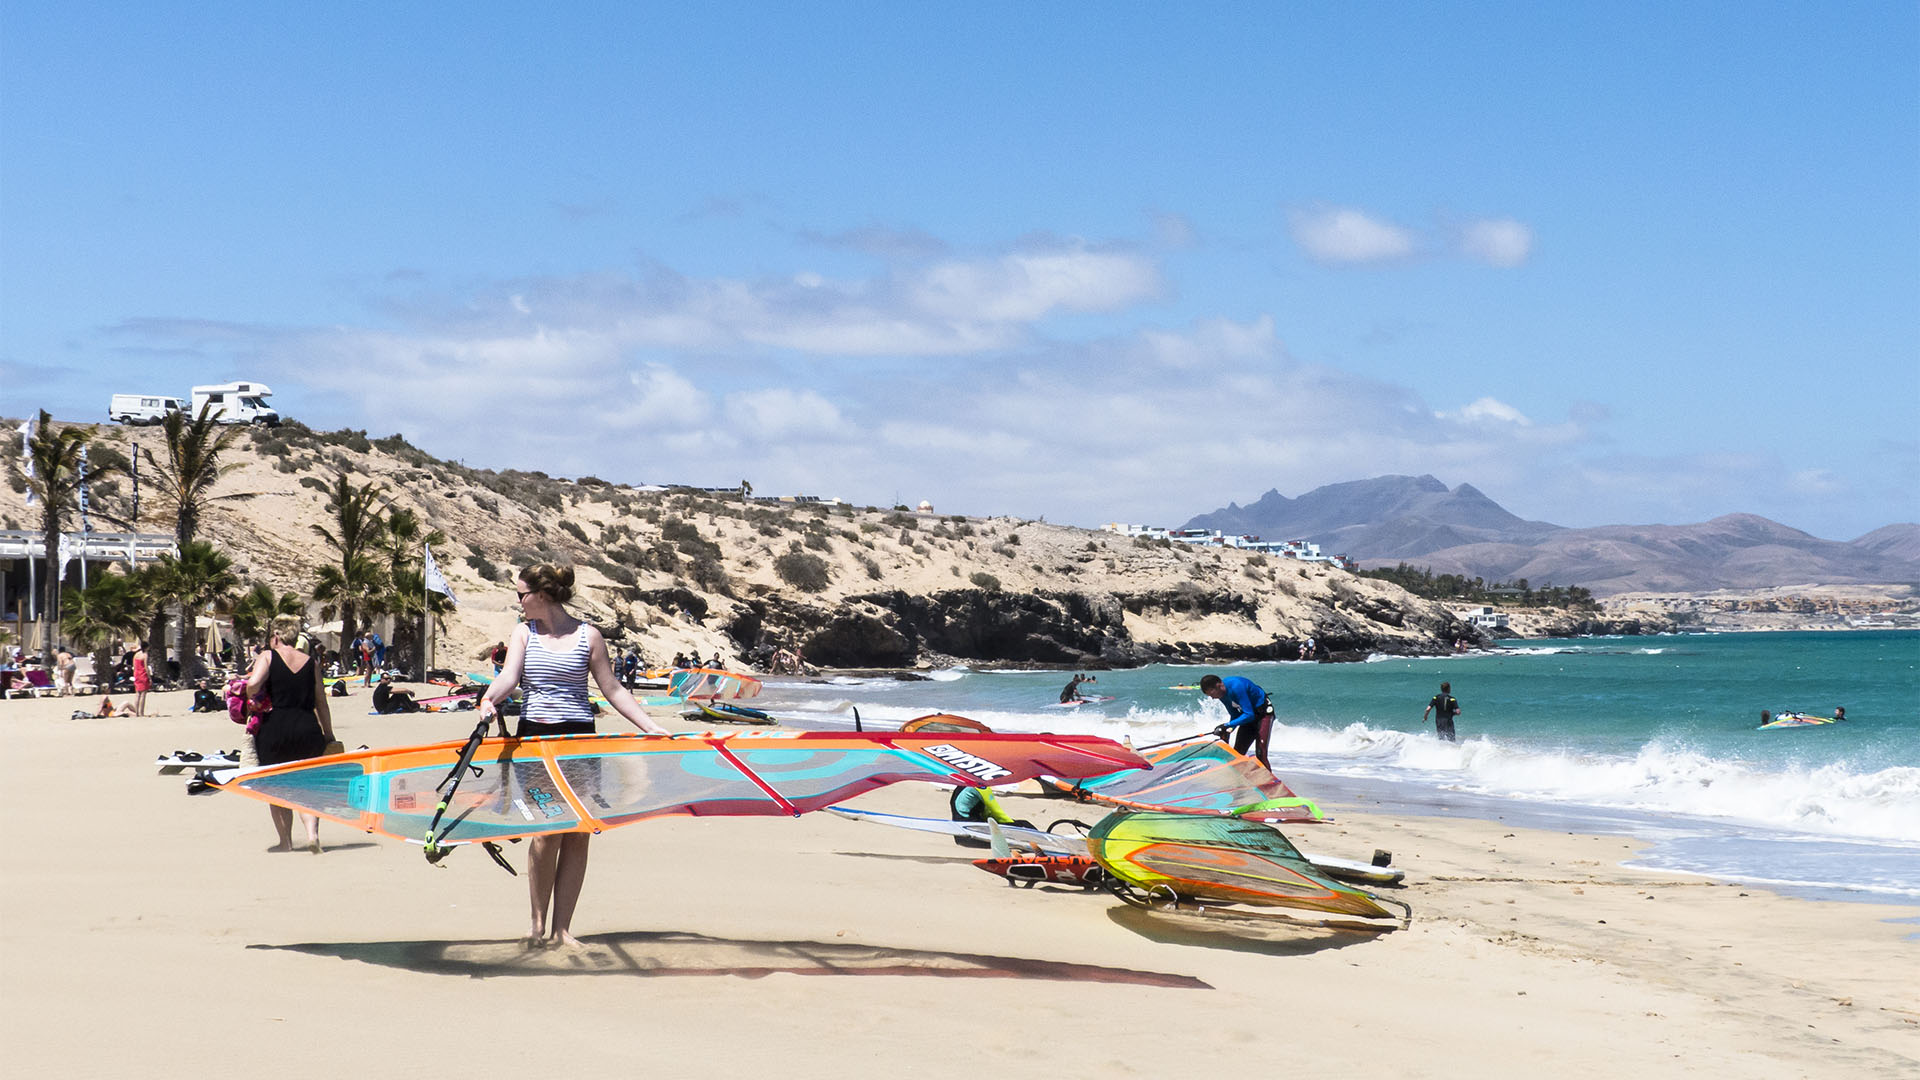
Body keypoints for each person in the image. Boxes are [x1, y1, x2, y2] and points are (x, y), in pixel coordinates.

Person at [479, 563, 669, 948]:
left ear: (542, 595)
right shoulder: (523, 633)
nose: (518, 603)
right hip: (535, 739)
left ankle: (562, 930)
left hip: (580, 739)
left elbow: (612, 689)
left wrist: (649, 727)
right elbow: (509, 677)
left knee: (578, 833)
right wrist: (489, 698)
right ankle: (536, 925)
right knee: (547, 833)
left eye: (521, 595)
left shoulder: (589, 636)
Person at [244, 615, 338, 853]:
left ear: (275, 636)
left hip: (276, 729)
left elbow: (253, 683)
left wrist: (250, 697)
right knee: (308, 786)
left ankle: (285, 841)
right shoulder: (311, 662)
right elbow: (321, 703)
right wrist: (329, 735)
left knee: (276, 786)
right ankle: (312, 834)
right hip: (307, 727)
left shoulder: (267, 656)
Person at [1200, 673, 1276, 769]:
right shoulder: (1221, 694)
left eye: (1211, 694)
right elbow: (1235, 715)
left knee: (1260, 753)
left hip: (1263, 715)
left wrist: (1227, 725)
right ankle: (1240, 780)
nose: (1212, 698)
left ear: (1219, 686)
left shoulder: (1236, 686)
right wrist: (1227, 729)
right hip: (1248, 719)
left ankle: (1269, 782)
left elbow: (1249, 714)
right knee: (1237, 753)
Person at [131, 641, 151, 716]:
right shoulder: (145, 655)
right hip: (143, 675)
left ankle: (136, 713)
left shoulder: (136, 655)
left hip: (137, 675)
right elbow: (146, 667)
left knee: (137, 694)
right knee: (143, 694)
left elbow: (134, 666)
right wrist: (149, 677)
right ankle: (141, 712)